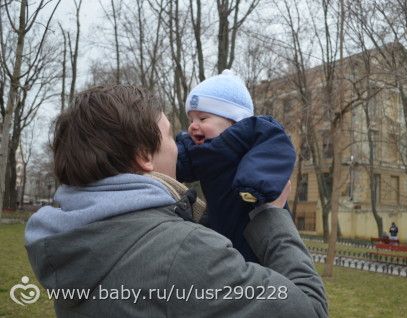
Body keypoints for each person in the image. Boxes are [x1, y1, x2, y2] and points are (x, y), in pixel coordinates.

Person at [24, 85, 328, 317]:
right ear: (144, 156)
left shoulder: (66, 240)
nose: (182, 144)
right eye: (171, 135)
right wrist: (271, 216)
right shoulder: (186, 252)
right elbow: (309, 309)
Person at [176, 69, 296, 262]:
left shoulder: (256, 135)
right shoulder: (204, 153)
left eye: (203, 118)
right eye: (191, 119)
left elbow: (275, 150)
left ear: (234, 122)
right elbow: (181, 161)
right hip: (222, 232)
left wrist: (255, 184)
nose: (192, 125)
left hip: (256, 221)